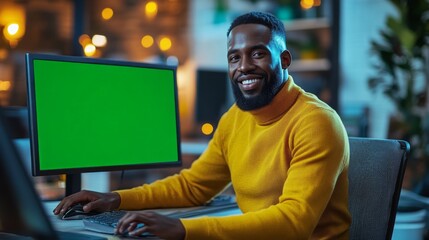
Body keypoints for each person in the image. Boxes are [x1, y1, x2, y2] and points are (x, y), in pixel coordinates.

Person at [54, 11, 351, 239]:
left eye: (258, 53)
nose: (244, 66)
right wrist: (116, 199)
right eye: (235, 57)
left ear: (284, 59)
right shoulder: (235, 118)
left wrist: (184, 229)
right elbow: (194, 186)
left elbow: (293, 223)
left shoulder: (316, 122)